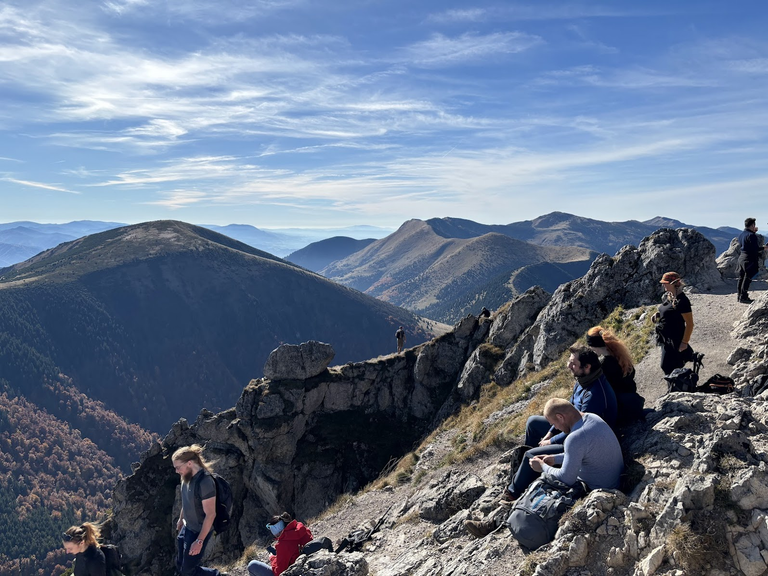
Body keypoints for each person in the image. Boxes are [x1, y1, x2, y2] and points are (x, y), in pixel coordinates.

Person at [465, 399, 624, 538]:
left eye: (554, 424)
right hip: (611, 479)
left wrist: (543, 467)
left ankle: (496, 524)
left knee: (540, 487)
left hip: (598, 490)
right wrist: (554, 459)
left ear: (561, 417)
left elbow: (565, 478)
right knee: (544, 479)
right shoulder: (591, 418)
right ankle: (503, 514)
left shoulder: (574, 438)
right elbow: (583, 453)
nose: (556, 428)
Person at [501, 346, 617, 502]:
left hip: (592, 466)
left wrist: (545, 459)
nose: (569, 366)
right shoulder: (582, 382)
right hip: (580, 437)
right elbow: (568, 410)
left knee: (531, 454)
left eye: (573, 364)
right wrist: (551, 446)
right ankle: (528, 471)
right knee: (533, 423)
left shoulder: (594, 396)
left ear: (587, 367)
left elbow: (567, 473)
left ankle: (513, 493)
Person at [172, 445, 226, 576]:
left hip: (199, 531)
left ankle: (217, 575)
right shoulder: (186, 477)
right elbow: (187, 501)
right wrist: (180, 519)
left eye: (178, 467)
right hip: (187, 527)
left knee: (188, 571)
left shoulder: (205, 482)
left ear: (189, 463)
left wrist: (199, 541)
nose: (176, 471)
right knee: (180, 563)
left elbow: (211, 514)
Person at [586, 326, 645, 425]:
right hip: (633, 399)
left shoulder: (603, 365)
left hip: (621, 409)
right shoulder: (620, 355)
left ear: (595, 346)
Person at [652, 271, 694, 375]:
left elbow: (690, 324)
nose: (663, 284)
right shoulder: (670, 296)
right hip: (666, 339)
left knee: (668, 366)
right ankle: (673, 388)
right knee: (668, 366)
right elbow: (667, 310)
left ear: (674, 283)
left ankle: (675, 388)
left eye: (665, 282)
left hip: (675, 341)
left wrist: (684, 343)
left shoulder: (683, 301)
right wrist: (658, 314)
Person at [248, 512, 313, 576]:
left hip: (294, 572)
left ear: (277, 530)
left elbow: (279, 572)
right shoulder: (303, 530)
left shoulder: (283, 544)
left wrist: (272, 558)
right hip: (307, 566)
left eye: (272, 529)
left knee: (252, 565)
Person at [737, 217, 765, 304]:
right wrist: (764, 248)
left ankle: (739, 296)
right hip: (749, 259)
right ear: (752, 225)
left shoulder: (741, 234)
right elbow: (755, 248)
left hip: (741, 258)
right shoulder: (752, 236)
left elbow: (746, 245)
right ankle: (744, 297)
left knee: (741, 278)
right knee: (748, 278)